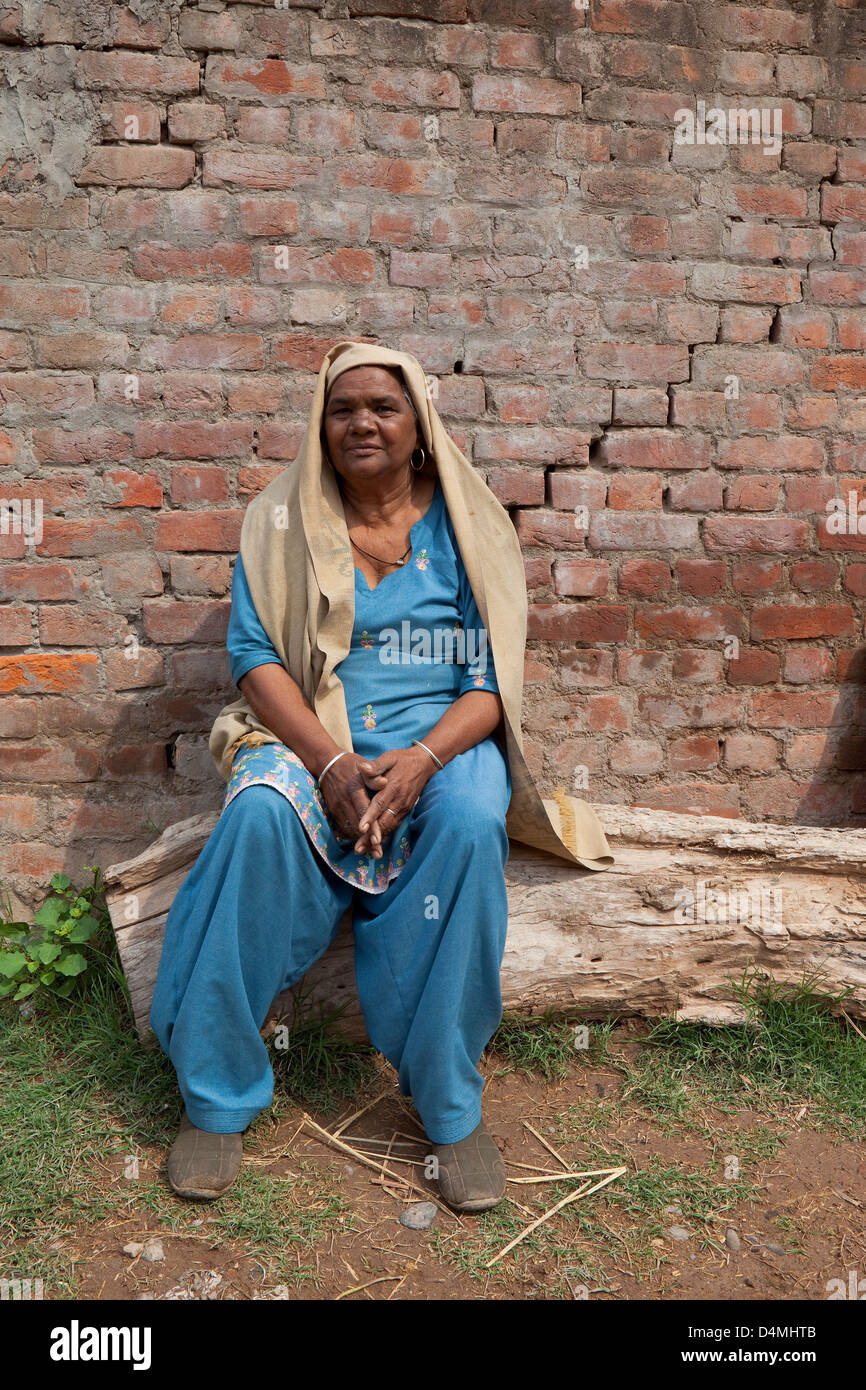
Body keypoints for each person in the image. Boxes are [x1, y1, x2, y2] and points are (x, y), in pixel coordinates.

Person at [150, 341, 613, 1214]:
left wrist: (427, 760)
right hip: (307, 739)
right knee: (255, 817)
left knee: (474, 816)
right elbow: (253, 658)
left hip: (439, 746)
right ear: (320, 428)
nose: (362, 422)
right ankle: (216, 1095)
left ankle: (447, 1106)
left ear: (419, 425)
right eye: (342, 409)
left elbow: (491, 681)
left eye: (383, 407)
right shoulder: (280, 520)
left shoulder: (468, 525)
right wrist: (326, 762)